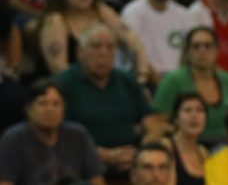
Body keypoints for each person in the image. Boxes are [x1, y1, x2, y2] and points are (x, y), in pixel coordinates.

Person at [55, 23, 166, 173]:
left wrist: (141, 152)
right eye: (96, 46)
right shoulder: (64, 84)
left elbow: (153, 122)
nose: (104, 53)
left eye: (110, 47)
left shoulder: (127, 81)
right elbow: (61, 136)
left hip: (132, 161)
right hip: (83, 163)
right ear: (80, 52)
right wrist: (104, 156)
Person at [0, 80, 105, 185]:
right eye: (42, 103)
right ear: (29, 109)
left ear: (64, 108)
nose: (50, 109)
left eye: (56, 104)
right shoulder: (13, 139)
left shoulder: (78, 136)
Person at [38, 0, 151, 79]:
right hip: (72, 83)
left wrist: (142, 70)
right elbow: (59, 69)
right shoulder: (55, 21)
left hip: (103, 80)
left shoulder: (101, 10)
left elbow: (133, 41)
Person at [154, 26, 228, 143]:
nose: (202, 50)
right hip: (187, 143)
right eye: (196, 46)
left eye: (207, 46)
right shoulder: (172, 81)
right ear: (188, 51)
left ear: (217, 51)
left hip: (226, 144)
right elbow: (158, 122)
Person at [120, 0, 193, 84]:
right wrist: (162, 85)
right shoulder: (132, 12)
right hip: (145, 80)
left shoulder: (184, 14)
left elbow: (189, 55)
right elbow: (135, 57)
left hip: (178, 81)